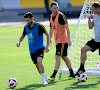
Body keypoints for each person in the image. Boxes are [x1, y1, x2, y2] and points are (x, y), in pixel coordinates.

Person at [16, 12, 50, 85]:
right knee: (37, 65)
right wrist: (19, 41)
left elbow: (47, 35)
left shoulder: (39, 26)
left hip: (40, 47)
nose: (27, 22)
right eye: (26, 21)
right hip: (32, 49)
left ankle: (43, 81)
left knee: (39, 61)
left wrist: (47, 46)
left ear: (32, 18)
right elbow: (22, 36)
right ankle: (45, 78)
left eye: (28, 20)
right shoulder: (26, 27)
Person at [48, 1, 75, 81]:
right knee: (64, 57)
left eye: (57, 8)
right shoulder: (50, 17)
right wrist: (49, 39)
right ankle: (72, 73)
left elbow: (67, 27)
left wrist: (69, 39)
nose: (56, 9)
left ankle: (53, 75)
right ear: (51, 8)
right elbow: (51, 29)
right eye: (54, 8)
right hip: (57, 40)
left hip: (63, 40)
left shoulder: (61, 15)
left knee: (57, 57)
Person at [75, 2, 100, 77]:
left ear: (97, 8)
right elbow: (90, 27)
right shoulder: (95, 16)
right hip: (96, 40)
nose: (92, 11)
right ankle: (82, 68)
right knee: (83, 49)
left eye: (93, 9)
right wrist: (89, 18)